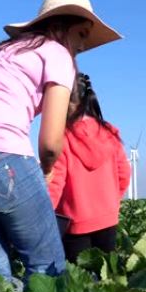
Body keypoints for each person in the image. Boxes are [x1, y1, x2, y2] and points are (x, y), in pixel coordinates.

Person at [0, 0, 122, 284]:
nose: (83, 46)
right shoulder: (58, 52)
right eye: (83, 35)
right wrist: (45, 169)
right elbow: (50, 141)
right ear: (63, 26)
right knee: (47, 266)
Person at [47, 73, 131, 263]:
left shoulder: (63, 138)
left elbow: (55, 184)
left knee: (81, 282)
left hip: (75, 225)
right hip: (109, 219)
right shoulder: (109, 131)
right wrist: (110, 200)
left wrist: (43, 216)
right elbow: (124, 173)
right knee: (108, 275)